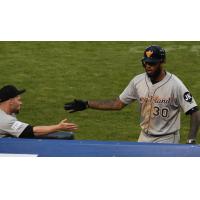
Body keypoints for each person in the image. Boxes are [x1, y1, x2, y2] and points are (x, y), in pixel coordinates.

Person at [64, 45, 200, 144]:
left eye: (152, 63)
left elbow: (194, 111)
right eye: (145, 63)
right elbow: (117, 104)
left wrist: (191, 140)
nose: (148, 66)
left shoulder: (175, 84)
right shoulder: (138, 81)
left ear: (162, 62)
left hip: (167, 139)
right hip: (144, 137)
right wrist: (87, 104)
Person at [0, 85, 78, 138]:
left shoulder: (8, 112)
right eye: (19, 100)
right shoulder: (5, 120)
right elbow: (31, 132)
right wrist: (58, 127)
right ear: (10, 101)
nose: (21, 103)